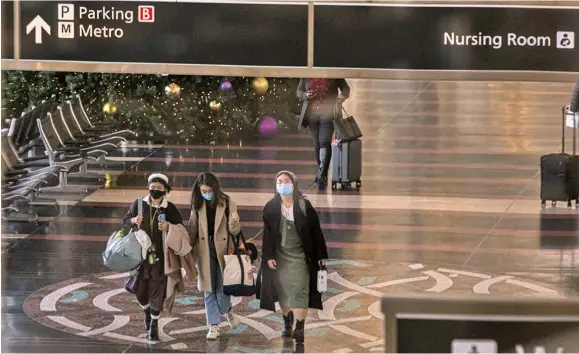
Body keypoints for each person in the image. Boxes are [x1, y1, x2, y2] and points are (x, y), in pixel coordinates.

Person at [258, 171, 329, 344]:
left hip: (301, 256)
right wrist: (268, 256)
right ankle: (287, 321)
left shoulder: (305, 206)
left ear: (294, 183)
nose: (283, 184)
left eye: (286, 181)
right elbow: (267, 235)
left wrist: (321, 256)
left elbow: (316, 232)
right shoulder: (270, 207)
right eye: (279, 182)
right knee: (282, 292)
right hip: (280, 256)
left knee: (300, 291)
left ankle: (299, 326)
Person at [123, 173, 183, 341]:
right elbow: (126, 219)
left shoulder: (169, 208)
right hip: (140, 257)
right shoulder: (139, 204)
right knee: (140, 290)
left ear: (165, 190)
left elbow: (180, 227)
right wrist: (134, 219)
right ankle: (147, 312)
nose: (155, 190)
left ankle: (154, 325)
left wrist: (169, 226)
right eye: (153, 187)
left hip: (160, 257)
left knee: (157, 290)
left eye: (159, 188)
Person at [188, 172, 242, 340]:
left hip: (224, 250)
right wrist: (189, 251)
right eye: (203, 190)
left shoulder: (227, 203)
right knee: (208, 288)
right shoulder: (197, 204)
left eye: (208, 190)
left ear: (215, 189)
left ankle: (228, 311)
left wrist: (234, 221)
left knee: (223, 289)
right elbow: (193, 229)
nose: (205, 193)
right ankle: (213, 325)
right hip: (204, 249)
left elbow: (235, 231)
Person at [296, 78, 350, 189]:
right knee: (317, 143)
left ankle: (322, 174)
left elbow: (346, 88)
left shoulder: (333, 71)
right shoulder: (308, 73)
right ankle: (321, 169)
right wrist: (305, 95)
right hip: (312, 115)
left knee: (324, 141)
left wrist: (342, 96)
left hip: (329, 113)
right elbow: (299, 91)